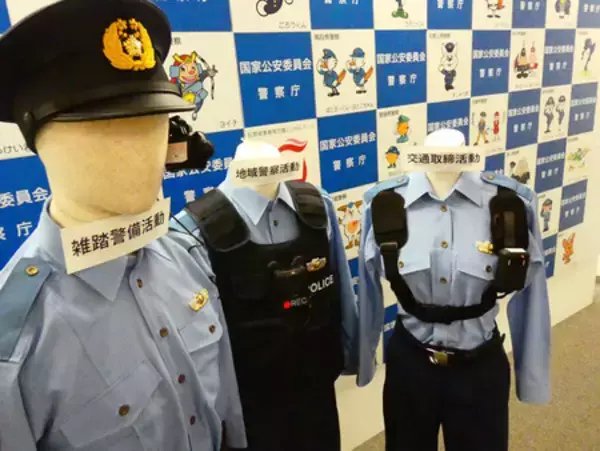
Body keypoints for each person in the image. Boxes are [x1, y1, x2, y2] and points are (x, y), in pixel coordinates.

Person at [0, 1, 245, 450]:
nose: (141, 152)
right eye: (104, 126)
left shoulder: (185, 255)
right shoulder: (14, 340)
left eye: (153, 124)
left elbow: (225, 416)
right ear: (42, 141)